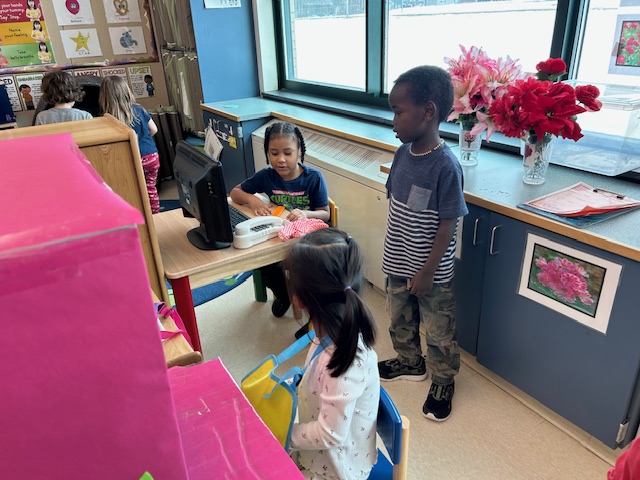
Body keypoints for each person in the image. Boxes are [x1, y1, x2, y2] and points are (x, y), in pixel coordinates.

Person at [377, 65, 468, 422]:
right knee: (399, 318)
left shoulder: (445, 166)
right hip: (398, 262)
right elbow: (398, 208)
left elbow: (447, 225)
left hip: (432, 272)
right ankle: (410, 362)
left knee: (439, 329)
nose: (393, 121)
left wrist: (428, 271)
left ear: (427, 111)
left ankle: (443, 380)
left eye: (398, 112)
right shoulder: (403, 153)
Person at [284, 228, 380, 479]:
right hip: (319, 454)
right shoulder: (327, 335)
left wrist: (283, 433)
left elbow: (330, 434)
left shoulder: (344, 362)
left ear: (298, 299)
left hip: (336, 470)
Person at [230, 121, 329, 317]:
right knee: (264, 263)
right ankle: (284, 294)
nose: (281, 160)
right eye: (274, 153)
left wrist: (306, 214)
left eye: (288, 153)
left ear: (299, 152)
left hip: (307, 240)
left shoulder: (313, 178)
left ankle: (310, 301)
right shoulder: (266, 176)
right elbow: (235, 193)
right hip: (279, 237)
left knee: (309, 269)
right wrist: (252, 199)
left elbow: (325, 213)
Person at [99, 75, 160, 213]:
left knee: (131, 189)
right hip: (151, 155)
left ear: (104, 95)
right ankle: (155, 215)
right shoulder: (139, 109)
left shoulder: (109, 117)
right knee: (150, 187)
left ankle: (138, 215)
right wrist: (143, 139)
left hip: (129, 158)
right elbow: (154, 129)